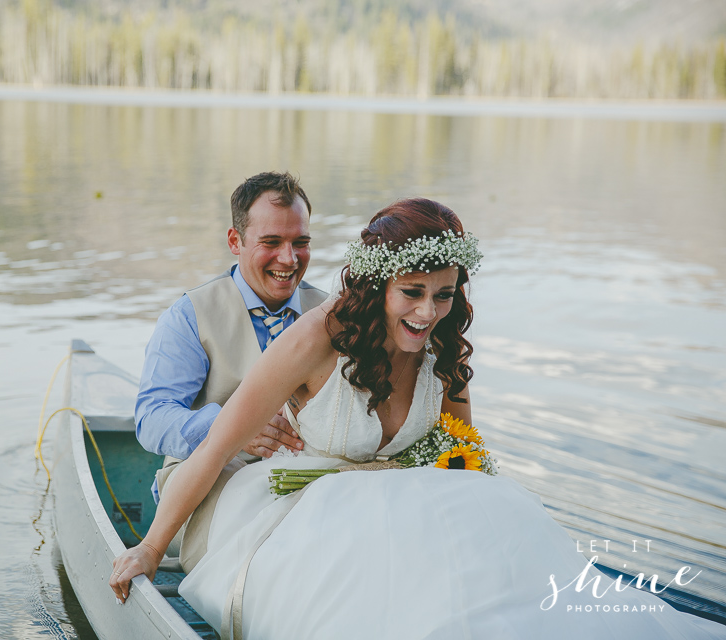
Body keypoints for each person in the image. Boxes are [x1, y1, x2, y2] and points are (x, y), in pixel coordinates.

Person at [113, 198, 722, 639]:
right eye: (413, 291)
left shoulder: (444, 350)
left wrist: (488, 527)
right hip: (294, 505)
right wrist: (149, 547)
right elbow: (216, 448)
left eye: (445, 294)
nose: (429, 311)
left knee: (495, 514)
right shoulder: (313, 339)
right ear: (378, 285)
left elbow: (463, 447)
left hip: (398, 496)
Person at [134, 171, 328, 568]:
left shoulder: (331, 315)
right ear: (235, 242)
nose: (289, 260)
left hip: (310, 480)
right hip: (210, 483)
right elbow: (151, 419)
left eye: (301, 243)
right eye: (271, 243)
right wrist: (233, 429)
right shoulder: (190, 315)